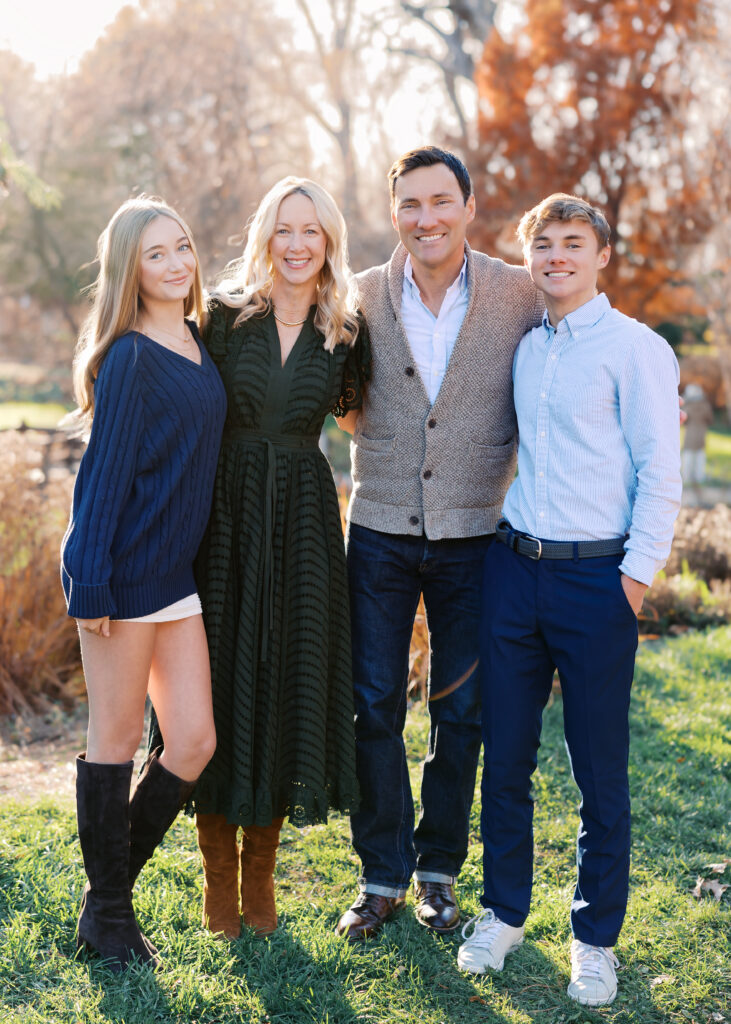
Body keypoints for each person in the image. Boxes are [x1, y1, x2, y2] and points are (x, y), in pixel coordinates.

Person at [456, 194, 681, 1007]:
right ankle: (503, 914)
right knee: (505, 757)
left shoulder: (636, 350)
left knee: (598, 771)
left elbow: (661, 472)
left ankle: (593, 938)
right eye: (542, 244)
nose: (555, 256)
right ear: (529, 258)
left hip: (597, 582)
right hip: (513, 572)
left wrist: (631, 581)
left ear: (600, 256)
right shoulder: (526, 348)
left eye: (571, 243)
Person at [335, 147, 545, 941]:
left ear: (466, 204)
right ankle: (380, 873)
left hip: (473, 540)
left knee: (461, 715)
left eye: (439, 202)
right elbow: (341, 404)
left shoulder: (518, 293)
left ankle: (436, 871)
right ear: (395, 212)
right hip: (381, 534)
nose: (425, 219)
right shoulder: (356, 297)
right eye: (410, 205)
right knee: (374, 707)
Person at [187, 177, 369, 940]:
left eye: (313, 232)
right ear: (266, 233)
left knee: (285, 685)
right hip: (222, 521)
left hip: (301, 524)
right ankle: (218, 882)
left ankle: (261, 879)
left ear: (329, 243)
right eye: (285, 229)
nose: (298, 245)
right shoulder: (222, 319)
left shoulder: (346, 330)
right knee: (221, 686)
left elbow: (371, 422)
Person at [61, 196, 227, 971]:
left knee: (192, 741)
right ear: (130, 266)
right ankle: (112, 919)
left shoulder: (194, 339)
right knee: (117, 743)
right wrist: (88, 581)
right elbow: (102, 476)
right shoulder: (129, 355)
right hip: (123, 578)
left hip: (174, 578)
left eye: (182, 247)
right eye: (155, 253)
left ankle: (104, 904)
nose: (175, 263)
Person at [681, 382, 713, 485]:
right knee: (700, 457)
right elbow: (710, 419)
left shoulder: (688, 407)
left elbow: (683, 420)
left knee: (688, 457)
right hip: (701, 436)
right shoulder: (705, 406)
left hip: (689, 436)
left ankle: (686, 477)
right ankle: (699, 477)